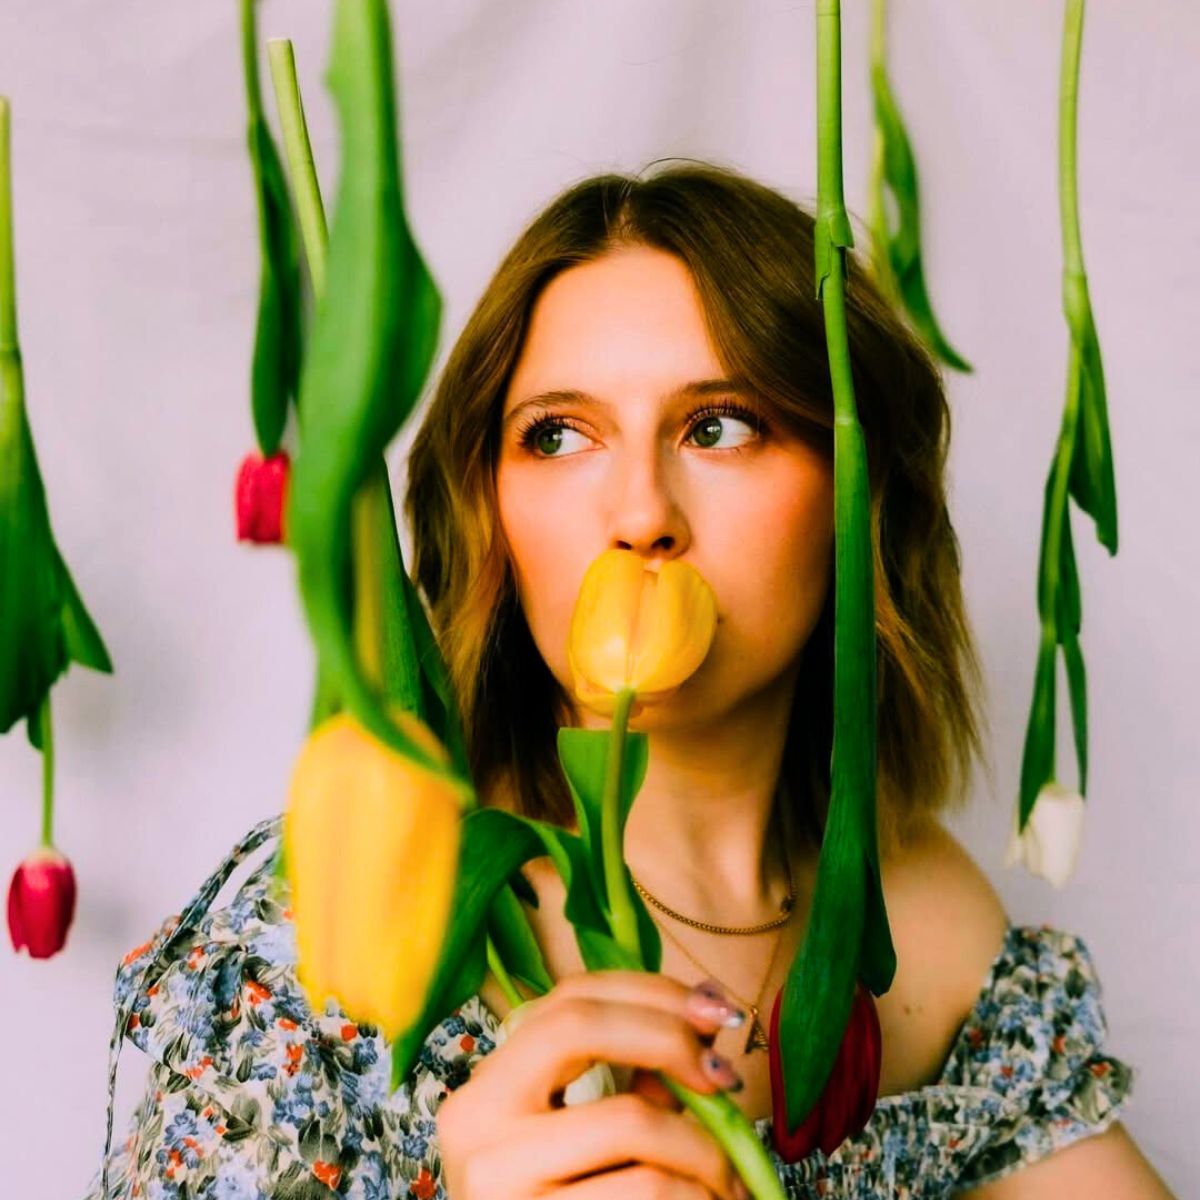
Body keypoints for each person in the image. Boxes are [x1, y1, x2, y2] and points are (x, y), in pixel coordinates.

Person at [84, 161, 1172, 1199]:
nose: (640, 513)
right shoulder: (343, 916)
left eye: (722, 426)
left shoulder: (931, 926)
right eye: (558, 435)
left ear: (857, 499)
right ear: (489, 512)